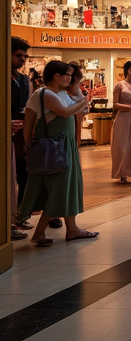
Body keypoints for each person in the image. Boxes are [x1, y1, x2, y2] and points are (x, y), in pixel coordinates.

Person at [19, 60, 95, 245]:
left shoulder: (61, 93)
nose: (69, 79)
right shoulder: (44, 93)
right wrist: (84, 100)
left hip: (62, 145)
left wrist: (77, 86)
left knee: (67, 186)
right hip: (54, 147)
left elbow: (79, 109)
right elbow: (65, 112)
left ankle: (72, 229)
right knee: (59, 188)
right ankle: (39, 233)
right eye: (67, 75)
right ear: (56, 76)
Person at [10, 37, 32, 239]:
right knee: (8, 177)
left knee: (23, 173)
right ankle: (8, 221)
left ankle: (20, 214)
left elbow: (29, 106)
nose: (23, 60)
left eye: (25, 56)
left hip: (21, 133)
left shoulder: (24, 80)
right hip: (7, 133)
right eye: (19, 56)